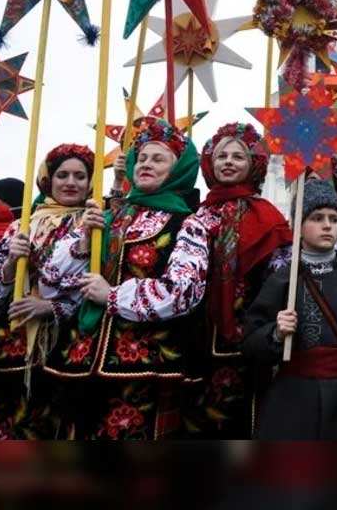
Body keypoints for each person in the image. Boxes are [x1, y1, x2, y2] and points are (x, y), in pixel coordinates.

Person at [49, 117, 204, 439]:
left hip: (145, 363)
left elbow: (183, 291)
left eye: (158, 159)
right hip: (81, 357)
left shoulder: (187, 224)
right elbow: (53, 281)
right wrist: (83, 243)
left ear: (178, 169)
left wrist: (112, 295)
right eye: (142, 158)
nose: (146, 164)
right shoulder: (106, 216)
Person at [145, 122, 291, 437]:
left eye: (238, 156)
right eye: (222, 156)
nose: (228, 162)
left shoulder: (267, 215)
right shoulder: (196, 214)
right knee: (195, 415)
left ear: (253, 164)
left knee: (244, 415)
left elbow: (281, 274)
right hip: (198, 330)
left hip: (250, 330)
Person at [244, 178, 337, 439]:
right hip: (291, 405)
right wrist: (276, 334)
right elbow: (250, 345)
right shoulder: (282, 280)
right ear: (297, 226)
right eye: (316, 218)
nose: (327, 225)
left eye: (334, 219)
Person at [0, 143, 94, 439]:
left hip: (63, 346)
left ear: (91, 183)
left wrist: (50, 307)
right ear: (48, 180)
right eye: (62, 175)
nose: (71, 182)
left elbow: (97, 283)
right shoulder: (22, 225)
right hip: (8, 344)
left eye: (80, 176)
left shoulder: (95, 225)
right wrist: (10, 264)